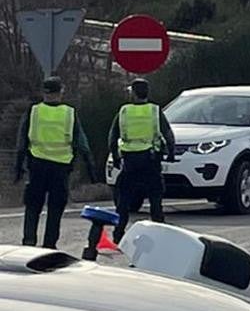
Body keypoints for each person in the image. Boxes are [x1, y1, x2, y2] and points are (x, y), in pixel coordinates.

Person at [14, 76, 97, 249]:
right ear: (61, 92)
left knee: (33, 206)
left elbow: (22, 141)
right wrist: (90, 167)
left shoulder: (34, 111)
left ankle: (29, 242)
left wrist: (18, 167)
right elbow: (81, 142)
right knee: (56, 208)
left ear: (44, 93)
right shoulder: (69, 113)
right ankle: (50, 245)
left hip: (37, 166)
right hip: (61, 168)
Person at [108, 77, 176, 241]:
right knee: (155, 199)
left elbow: (112, 137)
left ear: (133, 93)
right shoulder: (154, 111)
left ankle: (118, 234)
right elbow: (168, 134)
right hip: (151, 161)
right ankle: (159, 233)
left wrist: (116, 157)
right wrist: (171, 153)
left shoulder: (124, 111)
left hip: (130, 162)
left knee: (123, 201)